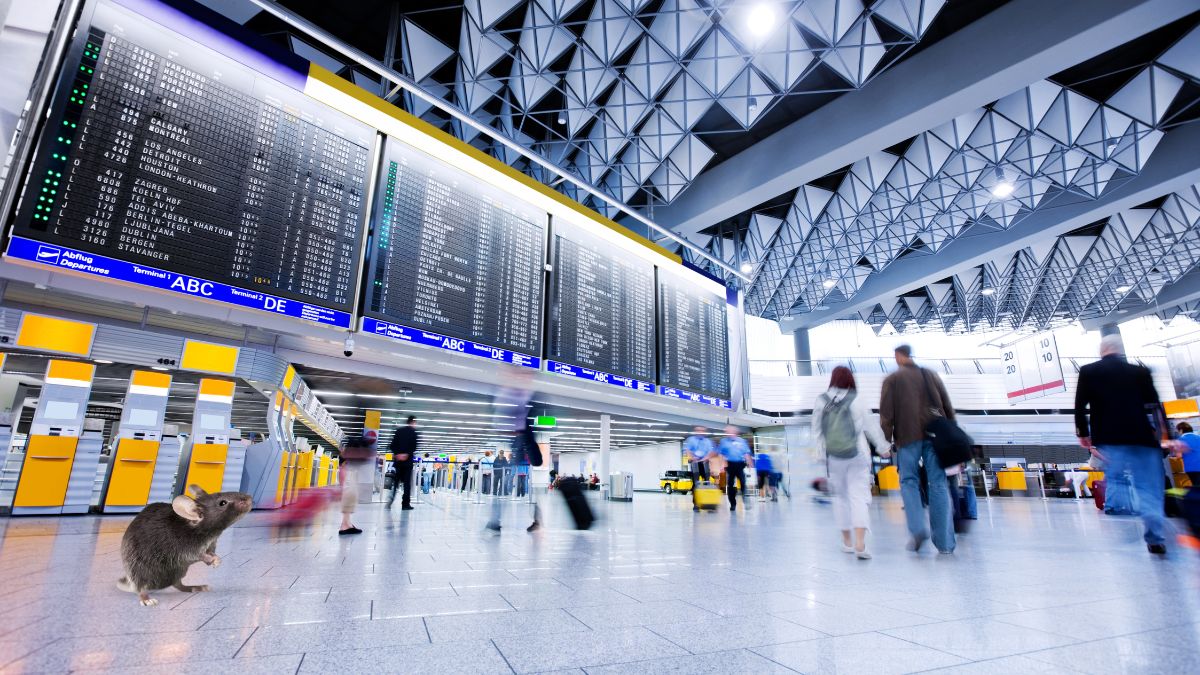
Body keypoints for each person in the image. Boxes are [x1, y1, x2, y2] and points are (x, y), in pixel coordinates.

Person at [1075, 335, 1170, 554]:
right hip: (1142, 437)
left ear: (1102, 350)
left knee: (1116, 477)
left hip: (1110, 437)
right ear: (1121, 350)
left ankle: (1116, 507)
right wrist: (1167, 435)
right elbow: (1155, 406)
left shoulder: (1089, 371)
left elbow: (1080, 405)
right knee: (1149, 487)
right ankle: (1154, 531)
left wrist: (1083, 433)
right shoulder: (1140, 372)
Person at [880, 344, 956, 554]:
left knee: (908, 481)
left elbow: (886, 414)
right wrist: (952, 433)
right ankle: (945, 543)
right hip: (935, 436)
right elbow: (947, 406)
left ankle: (917, 529)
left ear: (898, 356)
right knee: (938, 484)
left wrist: (886, 441)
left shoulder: (892, 380)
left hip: (907, 437)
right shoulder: (929, 375)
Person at [814, 366, 889, 559]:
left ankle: (847, 543)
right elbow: (871, 427)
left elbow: (817, 432)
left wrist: (821, 456)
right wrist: (882, 447)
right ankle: (860, 544)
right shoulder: (857, 399)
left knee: (840, 499)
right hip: (857, 455)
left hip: (833, 457)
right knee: (858, 497)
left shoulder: (821, 401)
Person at [338, 429, 377, 535]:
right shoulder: (351, 463)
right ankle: (345, 525)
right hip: (350, 475)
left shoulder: (346, 458)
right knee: (350, 496)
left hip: (349, 475)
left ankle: (346, 524)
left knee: (350, 497)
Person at [717, 426, 752, 511]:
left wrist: (750, 464)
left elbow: (746, 453)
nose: (729, 433)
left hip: (740, 464)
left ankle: (745, 500)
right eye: (727, 432)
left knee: (743, 482)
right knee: (730, 485)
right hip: (730, 465)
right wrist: (721, 465)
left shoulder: (742, 441)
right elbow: (721, 454)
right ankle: (733, 504)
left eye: (730, 431)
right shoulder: (724, 441)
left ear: (735, 432)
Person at [388, 416, 418, 510]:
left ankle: (390, 501)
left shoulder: (399, 431)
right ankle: (405, 504)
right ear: (413, 422)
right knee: (407, 485)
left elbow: (392, 445)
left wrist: (397, 454)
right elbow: (413, 447)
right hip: (407, 463)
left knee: (396, 483)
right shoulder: (414, 433)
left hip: (398, 462)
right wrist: (406, 455)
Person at [683, 426, 715, 512]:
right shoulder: (691, 440)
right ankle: (696, 504)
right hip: (695, 462)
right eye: (699, 431)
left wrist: (706, 458)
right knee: (696, 483)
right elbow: (687, 450)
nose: (701, 432)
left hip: (704, 462)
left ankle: (709, 503)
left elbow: (711, 452)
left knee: (707, 483)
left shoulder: (708, 441)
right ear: (696, 431)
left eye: (702, 431)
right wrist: (691, 457)